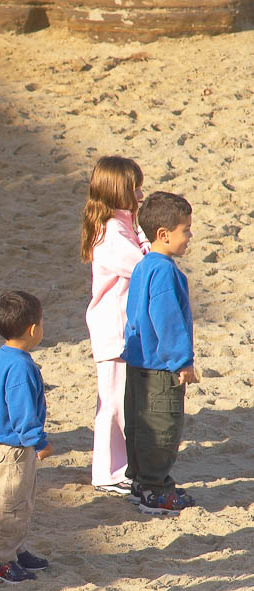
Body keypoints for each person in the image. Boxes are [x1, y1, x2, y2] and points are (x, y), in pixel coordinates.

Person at [121, 191, 197, 514]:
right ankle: (155, 489)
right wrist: (182, 360)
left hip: (138, 362)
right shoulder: (165, 271)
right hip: (159, 366)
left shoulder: (144, 265)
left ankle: (140, 482)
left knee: (138, 424)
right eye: (186, 230)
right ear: (164, 235)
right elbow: (166, 319)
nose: (190, 236)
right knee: (162, 426)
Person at [81, 156, 148, 495]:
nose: (139, 195)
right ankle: (108, 472)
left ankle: (118, 467)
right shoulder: (109, 233)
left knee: (119, 400)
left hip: (122, 328)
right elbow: (140, 265)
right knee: (112, 403)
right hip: (113, 329)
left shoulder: (122, 224)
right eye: (133, 189)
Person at [0, 291, 53, 584]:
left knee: (18, 503)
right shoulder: (21, 366)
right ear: (33, 329)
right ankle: (0, 561)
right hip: (12, 448)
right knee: (10, 506)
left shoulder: (1, 355)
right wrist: (38, 440)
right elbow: (22, 410)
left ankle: (15, 550)